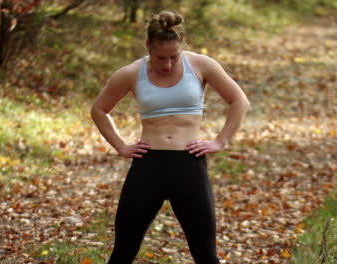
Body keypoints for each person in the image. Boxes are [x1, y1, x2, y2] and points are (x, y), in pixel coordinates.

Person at [90, 10, 250, 264]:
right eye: (160, 57)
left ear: (182, 48)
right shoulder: (131, 73)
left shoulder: (201, 65)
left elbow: (239, 100)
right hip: (147, 166)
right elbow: (99, 110)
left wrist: (221, 141)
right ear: (148, 46)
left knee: (205, 254)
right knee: (123, 251)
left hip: (189, 165)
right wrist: (120, 145)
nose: (167, 65)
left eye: (173, 57)